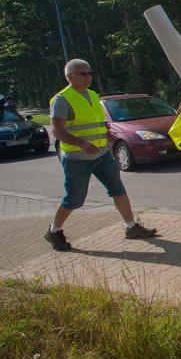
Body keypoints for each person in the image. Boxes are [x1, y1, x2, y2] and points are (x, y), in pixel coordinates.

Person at [44, 59, 157, 252]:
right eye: (83, 74)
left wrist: (105, 133)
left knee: (117, 188)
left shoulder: (93, 95)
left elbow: (97, 121)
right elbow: (57, 131)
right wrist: (81, 143)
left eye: (90, 73)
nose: (88, 77)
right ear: (69, 77)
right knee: (74, 199)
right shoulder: (62, 99)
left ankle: (131, 227)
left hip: (102, 154)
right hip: (77, 158)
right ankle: (54, 231)